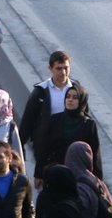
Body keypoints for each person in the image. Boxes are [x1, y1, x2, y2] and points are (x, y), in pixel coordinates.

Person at [18, 50, 80, 184]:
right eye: (59, 68)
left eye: (66, 68)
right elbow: (28, 119)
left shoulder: (76, 90)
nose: (63, 72)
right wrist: (19, 144)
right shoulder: (40, 92)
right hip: (47, 147)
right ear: (50, 69)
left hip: (70, 144)